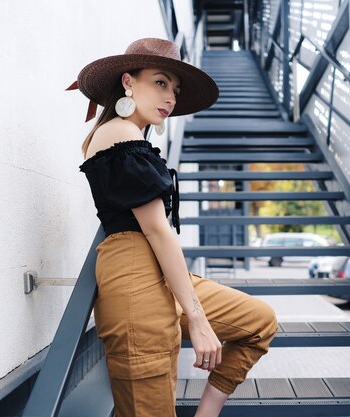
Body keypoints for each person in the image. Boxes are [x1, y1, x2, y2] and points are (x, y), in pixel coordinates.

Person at [68, 38, 277, 417]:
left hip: (156, 274)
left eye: (175, 90)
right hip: (134, 275)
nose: (170, 98)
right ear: (128, 82)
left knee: (259, 322)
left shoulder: (131, 136)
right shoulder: (120, 134)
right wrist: (196, 318)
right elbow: (157, 231)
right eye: (161, 83)